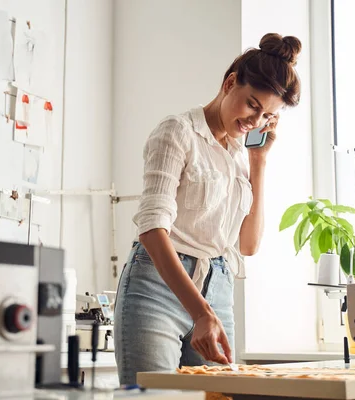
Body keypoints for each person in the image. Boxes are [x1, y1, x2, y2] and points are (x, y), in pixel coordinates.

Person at [113, 33, 302, 385]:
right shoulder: (177, 132)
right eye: (252, 105)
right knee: (154, 398)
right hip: (157, 286)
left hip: (218, 286)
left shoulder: (241, 154)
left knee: (217, 395)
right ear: (230, 82)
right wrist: (200, 312)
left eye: (267, 116)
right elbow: (153, 228)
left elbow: (248, 245)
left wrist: (258, 160)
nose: (255, 121)